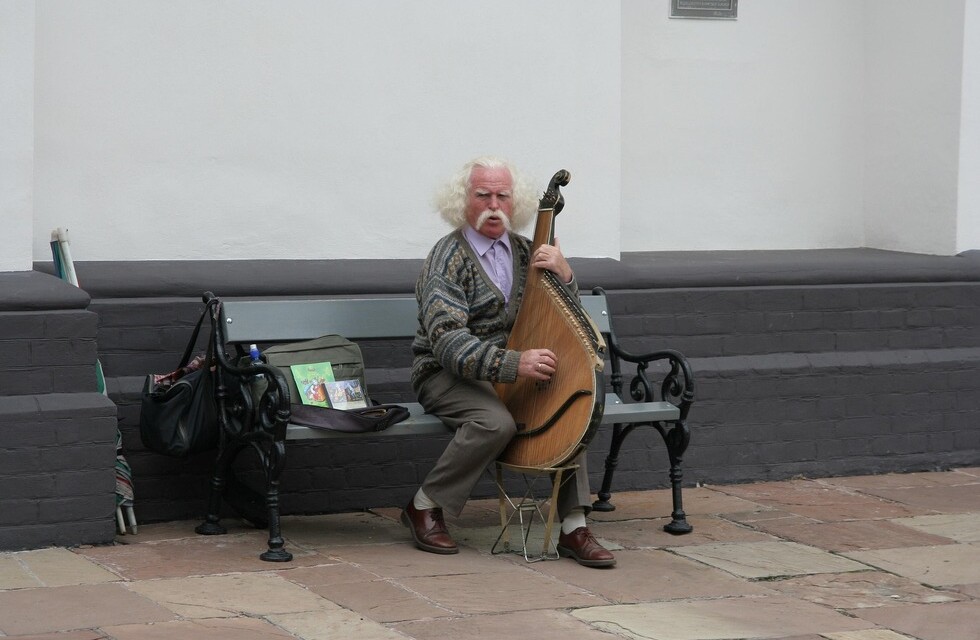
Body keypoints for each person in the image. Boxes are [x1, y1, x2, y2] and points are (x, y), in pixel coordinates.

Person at [403, 156, 615, 568]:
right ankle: (424, 505)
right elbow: (447, 343)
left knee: (571, 403)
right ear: (463, 201)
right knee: (494, 422)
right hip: (445, 374)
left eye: (502, 195)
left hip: (509, 373)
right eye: (482, 195)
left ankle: (573, 527)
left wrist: (566, 276)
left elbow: (561, 318)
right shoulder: (446, 258)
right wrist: (513, 364)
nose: (493, 204)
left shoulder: (525, 250)